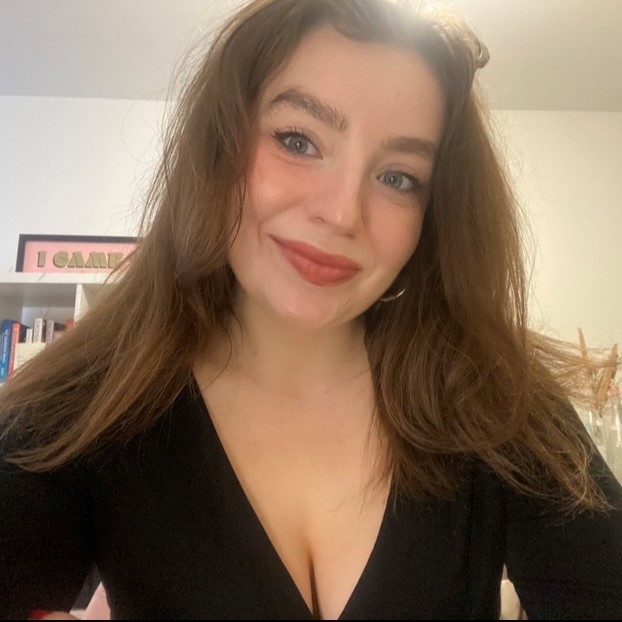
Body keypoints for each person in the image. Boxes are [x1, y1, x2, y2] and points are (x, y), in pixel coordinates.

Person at [1, 0, 621, 619]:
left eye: (399, 178)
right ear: (219, 148)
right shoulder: (86, 405)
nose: (342, 213)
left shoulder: (498, 403)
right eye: (297, 141)